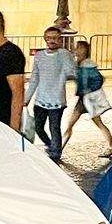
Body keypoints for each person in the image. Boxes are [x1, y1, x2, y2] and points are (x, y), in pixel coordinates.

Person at [25, 25, 74, 161]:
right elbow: (35, 77)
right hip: (40, 99)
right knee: (39, 127)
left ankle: (56, 153)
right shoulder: (40, 56)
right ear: (45, 39)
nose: (51, 41)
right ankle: (50, 145)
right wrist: (27, 98)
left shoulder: (64, 54)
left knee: (54, 128)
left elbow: (71, 72)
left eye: (54, 38)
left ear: (60, 39)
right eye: (48, 38)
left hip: (57, 100)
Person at [63, 38, 112, 158]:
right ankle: (111, 147)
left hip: (88, 99)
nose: (76, 50)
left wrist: (89, 90)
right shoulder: (81, 64)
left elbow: (99, 79)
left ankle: (111, 147)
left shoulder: (88, 65)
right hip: (84, 100)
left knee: (74, 124)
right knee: (72, 124)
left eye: (78, 48)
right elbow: (78, 77)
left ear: (84, 50)